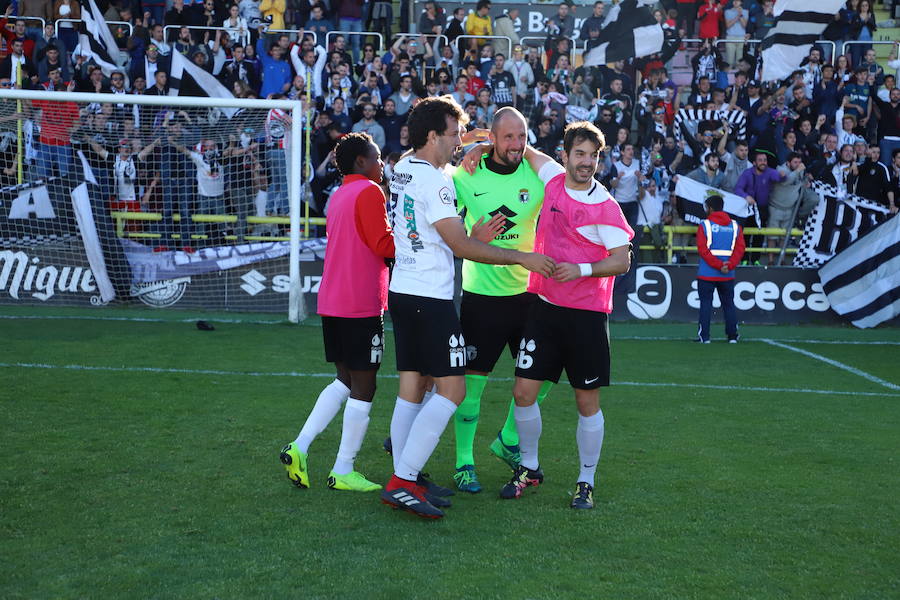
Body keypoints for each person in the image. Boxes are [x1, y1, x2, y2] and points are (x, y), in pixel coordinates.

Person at [380, 96, 555, 519]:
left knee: (410, 388)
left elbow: (434, 225)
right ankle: (403, 480)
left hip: (402, 291)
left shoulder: (403, 169)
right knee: (453, 390)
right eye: (454, 134)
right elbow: (461, 245)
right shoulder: (438, 182)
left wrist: (479, 140)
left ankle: (409, 476)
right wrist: (519, 256)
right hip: (430, 297)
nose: (460, 142)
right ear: (432, 136)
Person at [491, 121, 633, 511]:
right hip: (545, 309)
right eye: (580, 154)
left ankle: (586, 480)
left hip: (586, 316)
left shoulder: (604, 206)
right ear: (565, 156)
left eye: (594, 156)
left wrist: (583, 270)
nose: (587, 162)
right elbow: (520, 147)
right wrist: (474, 148)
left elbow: (622, 260)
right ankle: (530, 468)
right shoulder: (552, 178)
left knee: (586, 401)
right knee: (523, 392)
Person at [280, 133, 392, 493]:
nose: (381, 164)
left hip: (333, 299)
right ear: (361, 162)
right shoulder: (370, 192)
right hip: (360, 301)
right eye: (376, 158)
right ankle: (343, 468)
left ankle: (300, 446)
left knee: (344, 379)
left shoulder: (340, 194)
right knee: (365, 383)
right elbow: (383, 244)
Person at [449, 107, 550, 493]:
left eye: (521, 137)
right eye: (508, 137)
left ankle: (508, 438)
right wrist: (472, 237)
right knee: (470, 390)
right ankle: (463, 463)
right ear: (492, 137)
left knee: (541, 376)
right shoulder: (465, 177)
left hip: (528, 294)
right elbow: (447, 233)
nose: (516, 145)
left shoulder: (537, 177)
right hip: (482, 297)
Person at [695, 194, 744, 343]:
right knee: (729, 305)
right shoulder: (735, 226)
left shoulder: (705, 225)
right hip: (727, 274)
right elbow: (740, 249)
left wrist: (718, 265)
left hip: (707, 273)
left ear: (710, 208)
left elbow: (702, 250)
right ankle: (732, 336)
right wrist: (728, 265)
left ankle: (705, 337)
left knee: (705, 305)